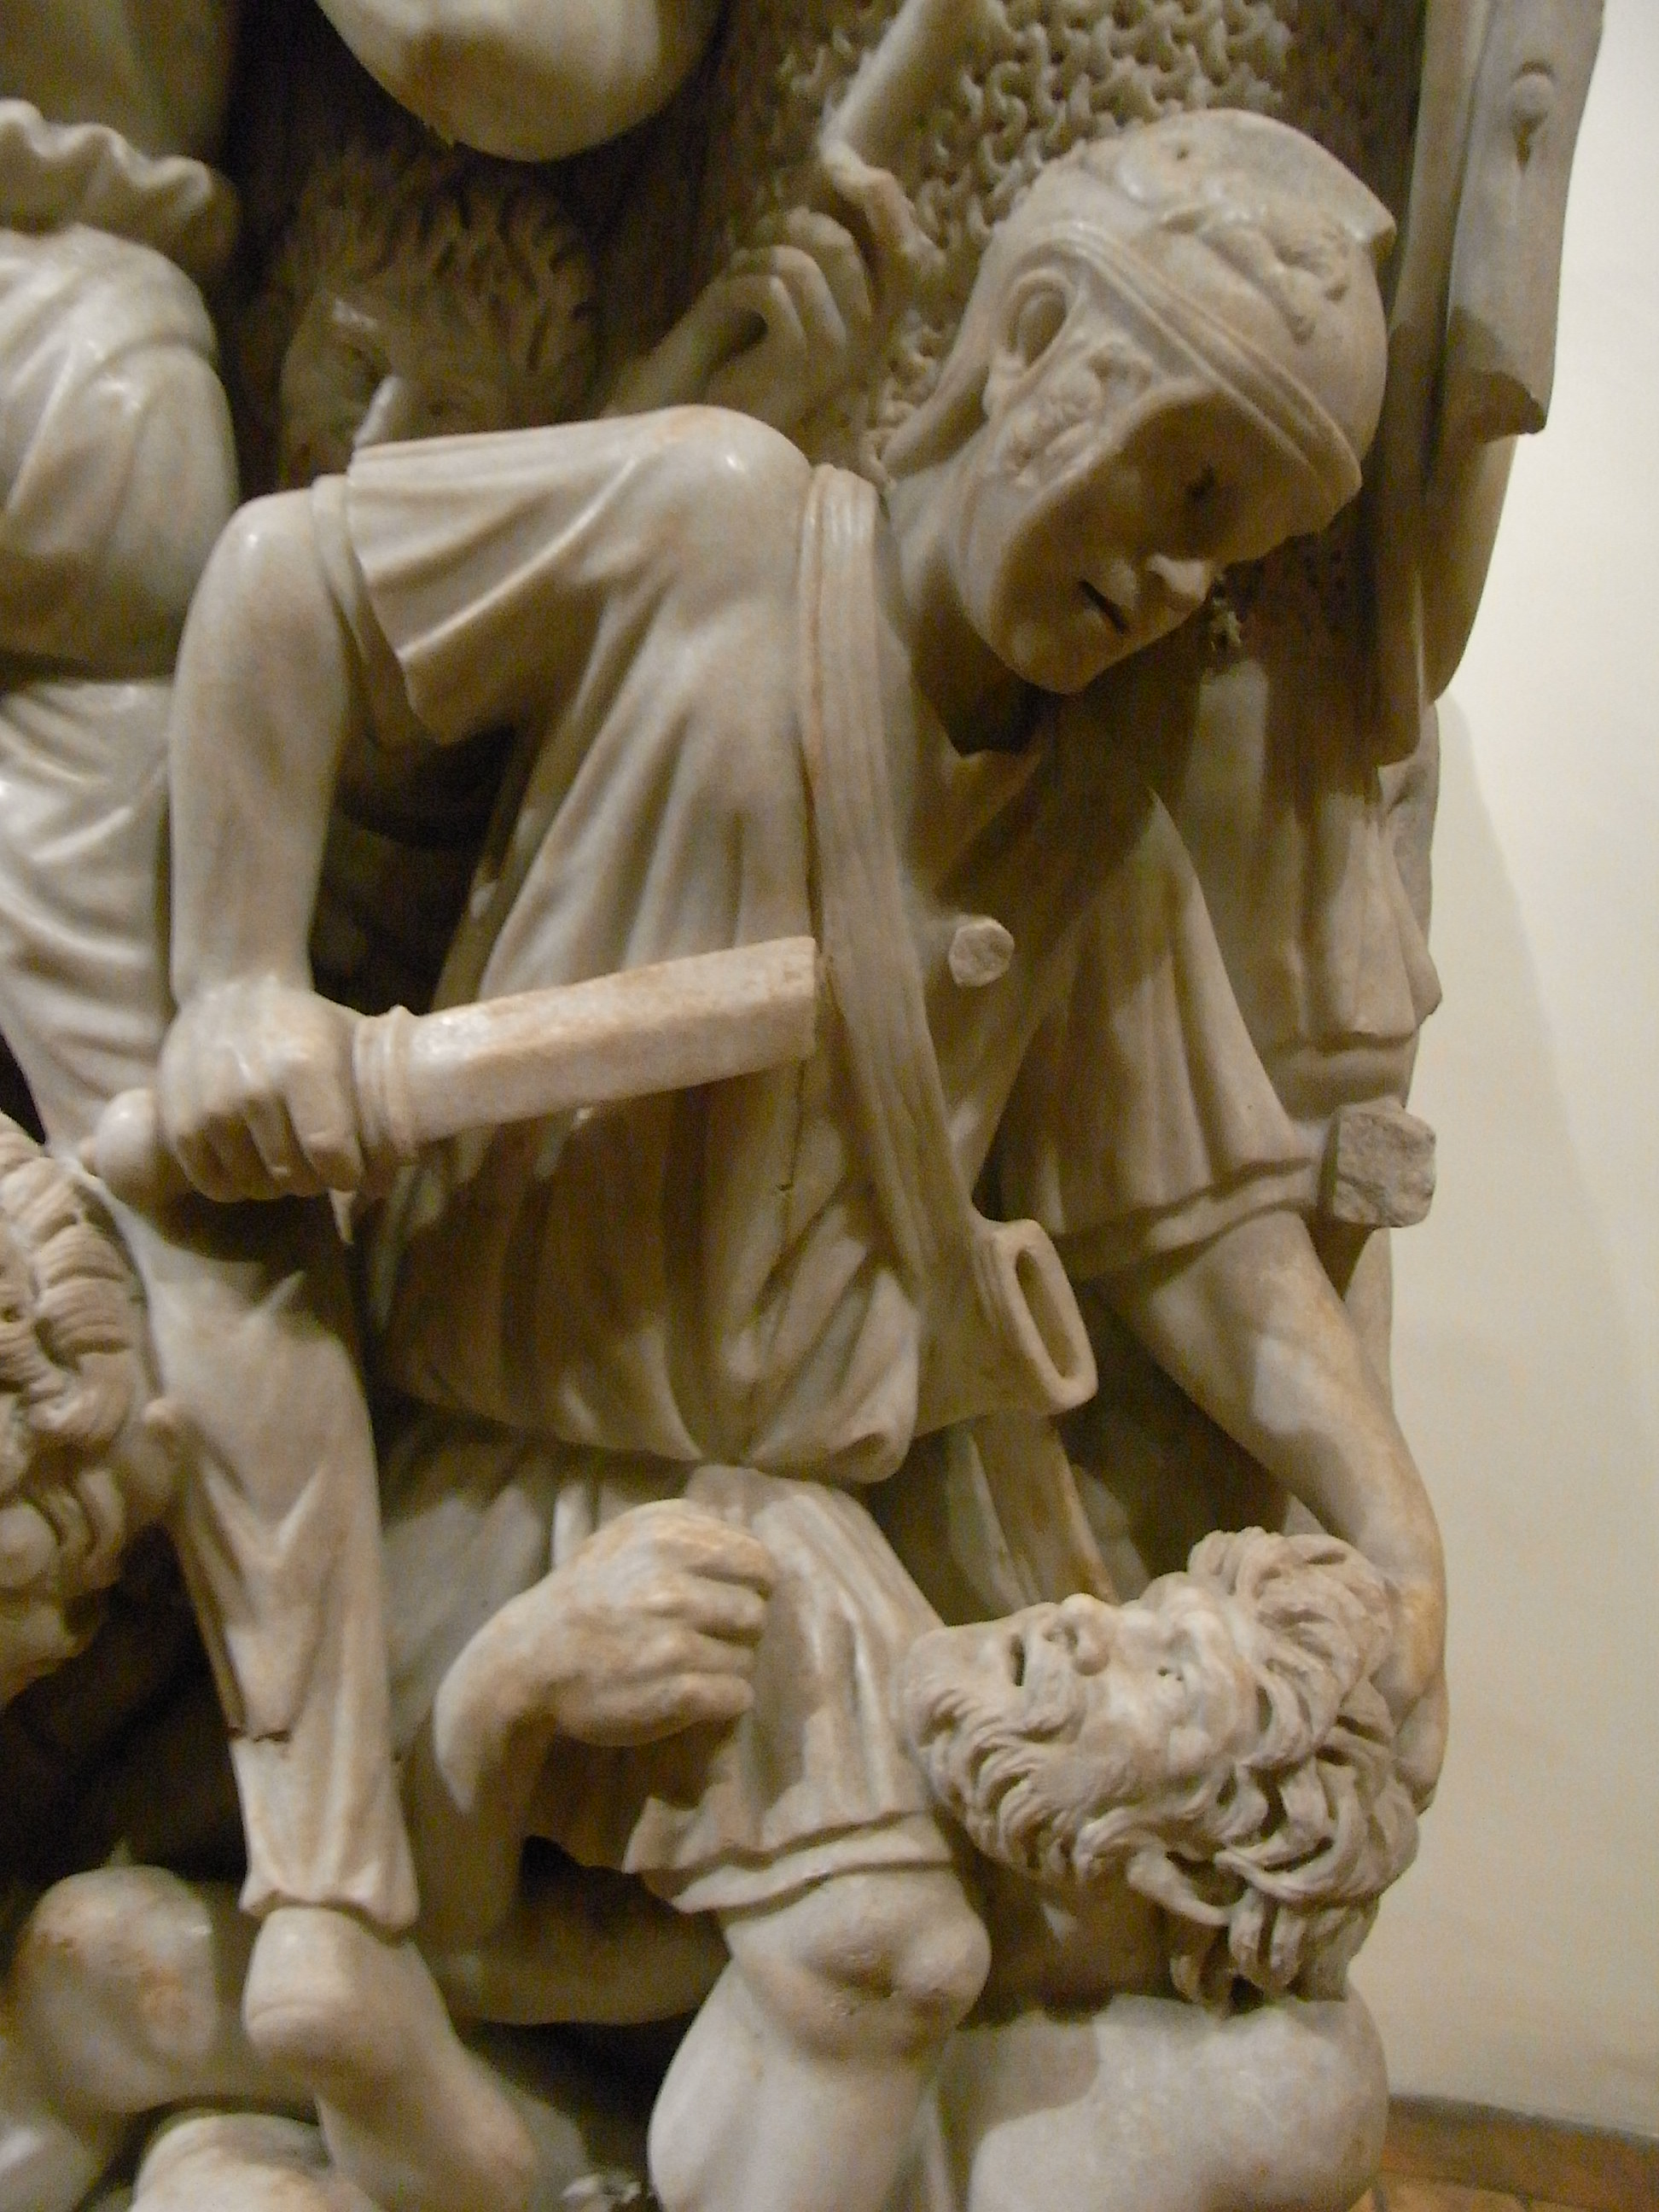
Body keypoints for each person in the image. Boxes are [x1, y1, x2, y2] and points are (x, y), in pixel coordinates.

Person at [148, 114, 1445, 2212]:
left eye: (1242, 552)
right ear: (1033, 339)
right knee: (826, 1948)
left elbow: (1201, 1237)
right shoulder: (716, 525)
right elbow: (291, 586)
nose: (1182, 582)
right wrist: (233, 980)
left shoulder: (1090, 808)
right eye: (1191, 484)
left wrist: (1396, 1540)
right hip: (484, 1472)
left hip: (780, 1531)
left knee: (904, 1954)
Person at [0, 51, 589, 2207]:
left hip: (83, 363)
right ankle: (332, 1891)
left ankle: (324, 1905)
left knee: (203, 1185)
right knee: (206, 1214)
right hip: (83, 327)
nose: (380, 439)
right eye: (363, 384)